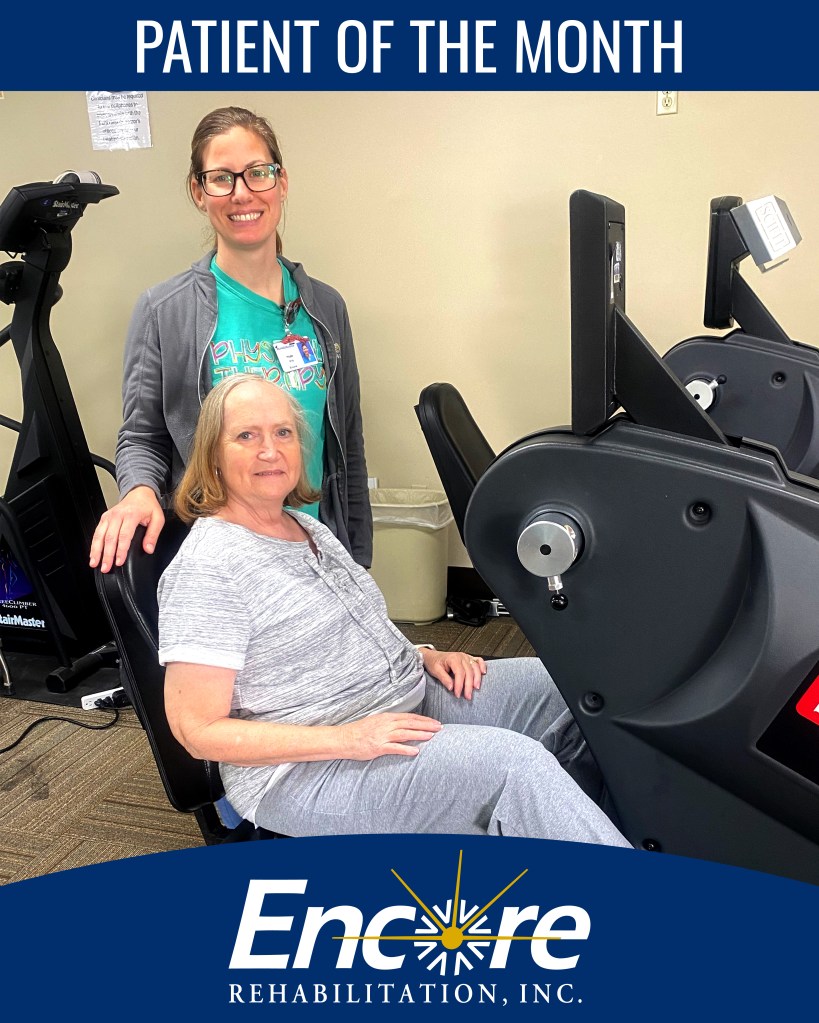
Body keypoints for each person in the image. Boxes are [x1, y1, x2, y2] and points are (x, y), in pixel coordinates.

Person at [157, 375, 631, 847]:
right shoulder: (208, 567)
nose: (270, 450)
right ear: (212, 455)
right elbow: (197, 731)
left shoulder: (304, 527)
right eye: (246, 435)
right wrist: (348, 739)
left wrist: (422, 654)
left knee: (575, 688)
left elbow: (353, 625)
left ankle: (576, 836)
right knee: (511, 767)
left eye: (282, 432)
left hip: (401, 697)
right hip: (305, 769)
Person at [90, 104, 371, 577]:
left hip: (314, 554)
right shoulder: (165, 311)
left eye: (258, 173)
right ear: (198, 192)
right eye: (221, 178)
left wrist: (356, 561)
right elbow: (141, 436)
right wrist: (138, 490)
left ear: (281, 182)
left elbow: (349, 445)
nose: (242, 193)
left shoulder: (325, 308)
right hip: (220, 566)